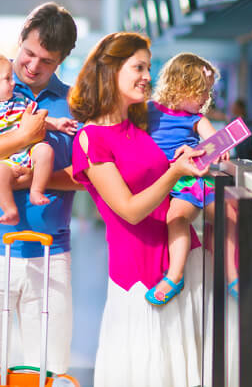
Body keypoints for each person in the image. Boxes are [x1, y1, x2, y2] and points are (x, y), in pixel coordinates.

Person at [0, 2, 80, 387]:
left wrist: (37, 179)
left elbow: (87, 176)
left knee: (49, 373)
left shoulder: (71, 104)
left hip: (50, 252)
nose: (33, 66)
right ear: (20, 38)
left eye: (47, 61)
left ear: (62, 60)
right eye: (29, 53)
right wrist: (21, 138)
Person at [68, 32, 207, 386]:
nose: (147, 75)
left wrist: (184, 162)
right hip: (137, 278)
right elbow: (129, 210)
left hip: (179, 268)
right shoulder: (91, 138)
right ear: (110, 70)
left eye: (148, 66)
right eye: (138, 67)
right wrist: (175, 172)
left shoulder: (141, 126)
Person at [0, 49, 78, 225]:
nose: (13, 83)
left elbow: (36, 119)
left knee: (45, 151)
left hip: (28, 152)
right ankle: (10, 209)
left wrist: (56, 123)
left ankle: (36, 190)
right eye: (7, 79)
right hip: (6, 161)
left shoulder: (18, 99)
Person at [145, 52, 229, 305]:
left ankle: (182, 275)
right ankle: (176, 274)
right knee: (170, 219)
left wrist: (207, 151)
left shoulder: (197, 119)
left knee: (193, 218)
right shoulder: (148, 112)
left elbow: (218, 144)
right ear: (182, 86)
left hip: (189, 182)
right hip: (164, 182)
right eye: (203, 92)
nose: (207, 99)